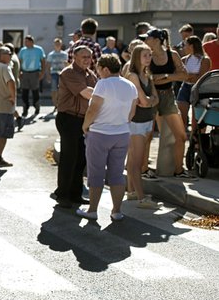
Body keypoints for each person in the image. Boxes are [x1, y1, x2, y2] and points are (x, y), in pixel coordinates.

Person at [76, 54, 137, 221]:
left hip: (100, 133)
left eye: (99, 70)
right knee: (117, 174)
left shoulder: (103, 84)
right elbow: (132, 113)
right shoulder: (131, 85)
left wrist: (85, 125)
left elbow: (93, 109)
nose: (98, 73)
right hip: (122, 133)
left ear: (106, 69)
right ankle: (117, 211)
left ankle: (92, 210)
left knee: (96, 173)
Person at [144, 28, 196, 179]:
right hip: (151, 97)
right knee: (147, 136)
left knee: (181, 136)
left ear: (157, 39)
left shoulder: (172, 55)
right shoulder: (147, 55)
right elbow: (147, 78)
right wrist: (170, 77)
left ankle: (179, 170)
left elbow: (184, 75)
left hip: (168, 96)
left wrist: (166, 76)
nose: (146, 40)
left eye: (149, 37)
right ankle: (144, 169)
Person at [53, 46, 97, 208]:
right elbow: (87, 93)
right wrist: (104, 93)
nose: (87, 60)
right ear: (75, 57)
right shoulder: (69, 73)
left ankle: (75, 194)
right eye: (84, 57)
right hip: (68, 119)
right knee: (69, 158)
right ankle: (62, 194)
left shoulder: (90, 74)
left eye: (89, 57)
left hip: (84, 120)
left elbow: (95, 93)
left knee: (80, 159)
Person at [124, 44, 162, 209]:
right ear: (137, 57)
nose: (149, 58)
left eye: (149, 55)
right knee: (136, 162)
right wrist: (149, 101)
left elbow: (155, 99)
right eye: (145, 55)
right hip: (136, 122)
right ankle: (141, 198)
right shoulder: (132, 75)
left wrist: (149, 101)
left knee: (134, 159)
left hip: (147, 120)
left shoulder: (147, 74)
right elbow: (146, 101)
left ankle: (131, 191)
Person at [177, 35, 211, 131]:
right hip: (185, 87)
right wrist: (192, 76)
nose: (183, 48)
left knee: (196, 119)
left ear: (191, 46)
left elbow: (200, 78)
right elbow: (180, 75)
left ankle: (195, 140)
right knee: (181, 115)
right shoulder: (184, 59)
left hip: (198, 89)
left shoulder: (205, 60)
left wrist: (187, 76)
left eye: (185, 45)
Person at [17, 35, 46, 117]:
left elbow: (43, 61)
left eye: (27, 41)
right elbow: (19, 61)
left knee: (35, 91)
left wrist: (42, 73)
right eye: (25, 41)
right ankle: (25, 109)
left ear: (31, 42)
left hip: (35, 72)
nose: (25, 43)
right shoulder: (23, 50)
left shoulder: (39, 49)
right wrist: (19, 72)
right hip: (25, 73)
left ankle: (36, 107)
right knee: (24, 92)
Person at [45, 38, 68, 111]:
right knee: (54, 90)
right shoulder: (51, 54)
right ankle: (55, 104)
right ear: (54, 45)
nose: (57, 45)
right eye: (56, 44)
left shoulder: (64, 54)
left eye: (59, 44)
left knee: (61, 90)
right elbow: (48, 65)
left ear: (61, 45)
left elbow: (67, 65)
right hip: (53, 73)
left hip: (62, 74)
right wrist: (48, 75)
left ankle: (60, 103)